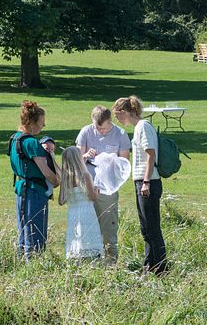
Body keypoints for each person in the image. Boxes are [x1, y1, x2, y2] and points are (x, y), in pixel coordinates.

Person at [112, 96, 168, 275]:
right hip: (142, 181)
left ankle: (159, 269)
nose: (117, 120)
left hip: (148, 182)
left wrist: (145, 182)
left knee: (151, 227)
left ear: (124, 112)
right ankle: (150, 267)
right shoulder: (138, 128)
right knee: (146, 228)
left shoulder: (143, 127)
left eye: (117, 115)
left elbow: (150, 155)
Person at [75, 105, 131, 264]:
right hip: (87, 185)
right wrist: (85, 155)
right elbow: (77, 160)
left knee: (108, 227)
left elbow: (125, 164)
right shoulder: (86, 132)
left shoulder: (120, 134)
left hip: (108, 188)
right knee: (86, 224)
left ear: (110, 121)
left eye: (105, 128)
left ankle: (110, 262)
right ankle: (87, 262)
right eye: (98, 128)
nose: (101, 132)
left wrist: (109, 160)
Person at [8, 100, 60, 259]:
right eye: (41, 123)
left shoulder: (15, 138)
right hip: (34, 191)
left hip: (20, 188)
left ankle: (21, 265)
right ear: (32, 123)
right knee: (35, 234)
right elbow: (45, 171)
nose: (43, 127)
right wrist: (57, 181)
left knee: (23, 232)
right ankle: (35, 268)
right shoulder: (31, 142)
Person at [59, 146, 103, 260]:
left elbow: (61, 200)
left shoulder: (65, 178)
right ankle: (91, 260)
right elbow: (92, 197)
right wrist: (97, 190)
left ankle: (76, 260)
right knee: (88, 238)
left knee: (76, 237)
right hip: (87, 212)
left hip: (73, 212)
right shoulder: (85, 175)